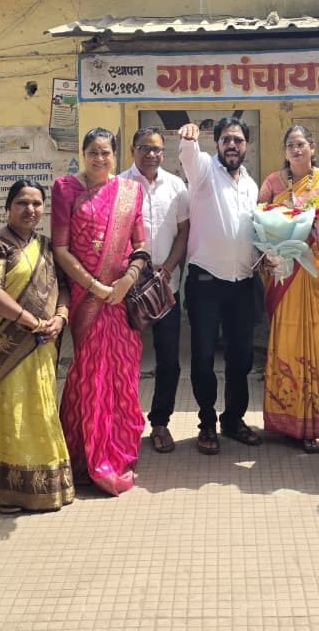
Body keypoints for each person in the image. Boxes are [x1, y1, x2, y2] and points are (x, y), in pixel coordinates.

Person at [52, 128, 149, 495]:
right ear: (83, 153)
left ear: (115, 155)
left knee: (122, 373)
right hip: (87, 299)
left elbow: (141, 246)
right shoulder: (65, 188)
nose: (99, 158)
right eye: (93, 151)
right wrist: (96, 287)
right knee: (90, 374)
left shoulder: (130, 191)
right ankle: (87, 456)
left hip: (121, 299)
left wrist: (127, 281)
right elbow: (60, 248)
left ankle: (117, 452)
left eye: (106, 152)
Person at [0, 180, 76, 513]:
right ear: (8, 207)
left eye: (36, 203)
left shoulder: (46, 246)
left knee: (39, 406)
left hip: (43, 342)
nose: (30, 209)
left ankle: (44, 483)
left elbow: (63, 287)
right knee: (8, 410)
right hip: (4, 342)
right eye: (22, 203)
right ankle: (5, 490)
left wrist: (60, 317)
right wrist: (31, 321)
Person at [257, 125, 319, 453]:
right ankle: (284, 420)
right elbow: (258, 222)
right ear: (284, 151)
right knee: (285, 343)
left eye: (301, 144)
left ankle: (314, 423)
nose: (296, 150)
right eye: (290, 145)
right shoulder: (272, 182)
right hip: (286, 273)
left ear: (313, 147)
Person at [178, 117, 262, 455]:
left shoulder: (251, 185)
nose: (232, 145)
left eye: (238, 140)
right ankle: (207, 423)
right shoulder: (203, 172)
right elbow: (189, 156)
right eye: (226, 139)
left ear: (246, 145)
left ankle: (233, 420)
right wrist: (189, 138)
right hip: (206, 283)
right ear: (216, 143)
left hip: (243, 283)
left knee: (241, 358)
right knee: (202, 358)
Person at [120, 127, 190, 454]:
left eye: (157, 149)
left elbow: (184, 231)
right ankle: (123, 423)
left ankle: (160, 422)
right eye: (144, 148)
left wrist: (169, 267)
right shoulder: (119, 186)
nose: (151, 154)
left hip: (165, 288)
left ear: (164, 153)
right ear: (132, 150)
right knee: (125, 359)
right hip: (127, 289)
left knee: (169, 360)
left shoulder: (176, 186)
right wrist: (129, 273)